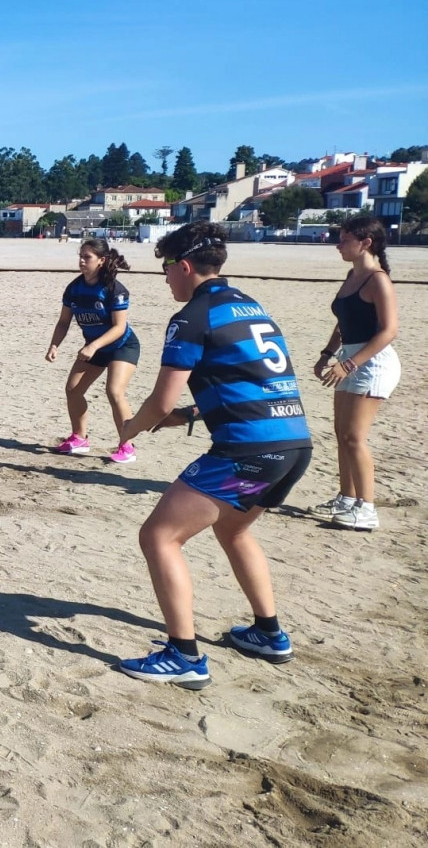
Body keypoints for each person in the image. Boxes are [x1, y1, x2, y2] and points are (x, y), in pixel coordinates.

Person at [116, 222, 312, 689]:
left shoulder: (192, 316)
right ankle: (268, 634)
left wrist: (131, 429)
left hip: (247, 452)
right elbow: (246, 382)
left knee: (159, 537)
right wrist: (188, 415)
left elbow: (159, 401)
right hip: (294, 445)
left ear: (184, 267)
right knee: (235, 529)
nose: (165, 280)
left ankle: (183, 656)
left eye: (165, 269)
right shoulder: (249, 306)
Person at [309, 216, 400, 531]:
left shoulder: (378, 280)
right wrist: (327, 354)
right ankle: (347, 498)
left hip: (371, 362)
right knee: (341, 434)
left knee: (354, 437)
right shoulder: (353, 275)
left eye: (344, 239)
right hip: (348, 358)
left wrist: (349, 363)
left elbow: (389, 331)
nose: (337, 244)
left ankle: (367, 508)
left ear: (366, 242)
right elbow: (343, 320)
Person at [45, 238, 140, 463]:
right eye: (80, 255)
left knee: (114, 391)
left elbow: (119, 328)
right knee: (73, 389)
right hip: (94, 348)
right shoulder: (74, 288)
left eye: (87, 257)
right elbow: (63, 322)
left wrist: (94, 345)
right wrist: (54, 345)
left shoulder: (114, 289)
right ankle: (79, 438)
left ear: (101, 260)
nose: (81, 261)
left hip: (121, 346)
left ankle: (127, 446)